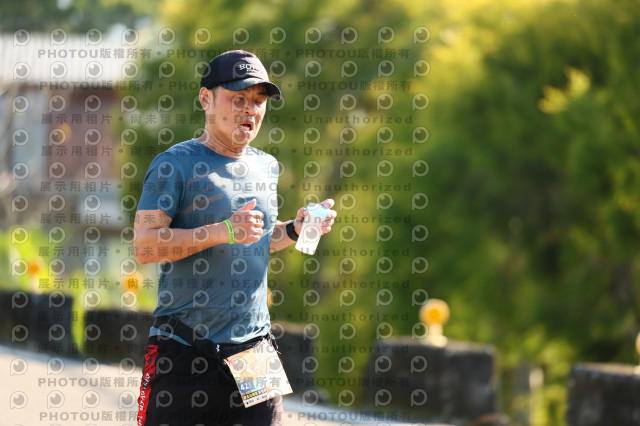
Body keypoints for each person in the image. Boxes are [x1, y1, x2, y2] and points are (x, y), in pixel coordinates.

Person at [133, 50, 337, 426]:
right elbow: (145, 246)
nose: (250, 110)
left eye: (258, 101)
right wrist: (224, 230)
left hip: (255, 351)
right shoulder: (173, 164)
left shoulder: (266, 166)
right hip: (183, 348)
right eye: (238, 98)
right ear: (206, 99)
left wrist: (295, 229)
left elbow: (257, 240)